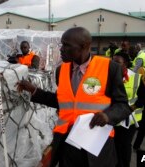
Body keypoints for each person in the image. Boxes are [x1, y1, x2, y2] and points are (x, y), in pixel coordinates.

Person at [16, 27, 131, 167]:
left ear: (84, 46)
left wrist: (108, 116)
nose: (61, 49)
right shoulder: (61, 70)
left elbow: (123, 105)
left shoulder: (110, 68)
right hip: (68, 145)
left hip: (96, 147)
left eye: (66, 45)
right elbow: (63, 102)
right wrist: (34, 91)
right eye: (61, 44)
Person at [112, 51, 145, 167]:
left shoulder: (135, 77)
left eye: (117, 62)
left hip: (130, 119)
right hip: (113, 118)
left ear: (125, 64)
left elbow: (143, 97)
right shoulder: (109, 76)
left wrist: (133, 107)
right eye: (112, 61)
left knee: (125, 145)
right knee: (115, 145)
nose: (113, 64)